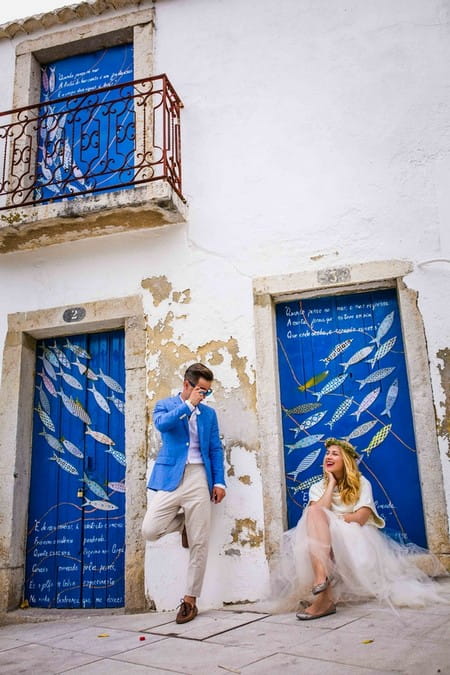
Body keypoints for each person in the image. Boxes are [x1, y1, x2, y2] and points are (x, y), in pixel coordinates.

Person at [270, 438, 446, 619]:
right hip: (325, 540)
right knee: (313, 513)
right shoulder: (317, 487)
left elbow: (361, 518)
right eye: (327, 453)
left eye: (335, 454)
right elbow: (315, 512)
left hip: (355, 539)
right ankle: (322, 581)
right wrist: (331, 484)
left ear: (346, 460)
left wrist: (333, 520)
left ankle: (322, 588)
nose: (328, 457)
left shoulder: (362, 483)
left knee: (320, 520)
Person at [142, 363, 226, 624]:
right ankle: (184, 525)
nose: (205, 396)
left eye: (208, 392)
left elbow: (215, 449)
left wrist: (220, 482)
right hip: (171, 477)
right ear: (187, 385)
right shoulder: (165, 405)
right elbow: (163, 426)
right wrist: (189, 405)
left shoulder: (209, 415)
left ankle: (190, 601)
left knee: (200, 541)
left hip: (199, 476)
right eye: (201, 390)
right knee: (150, 530)